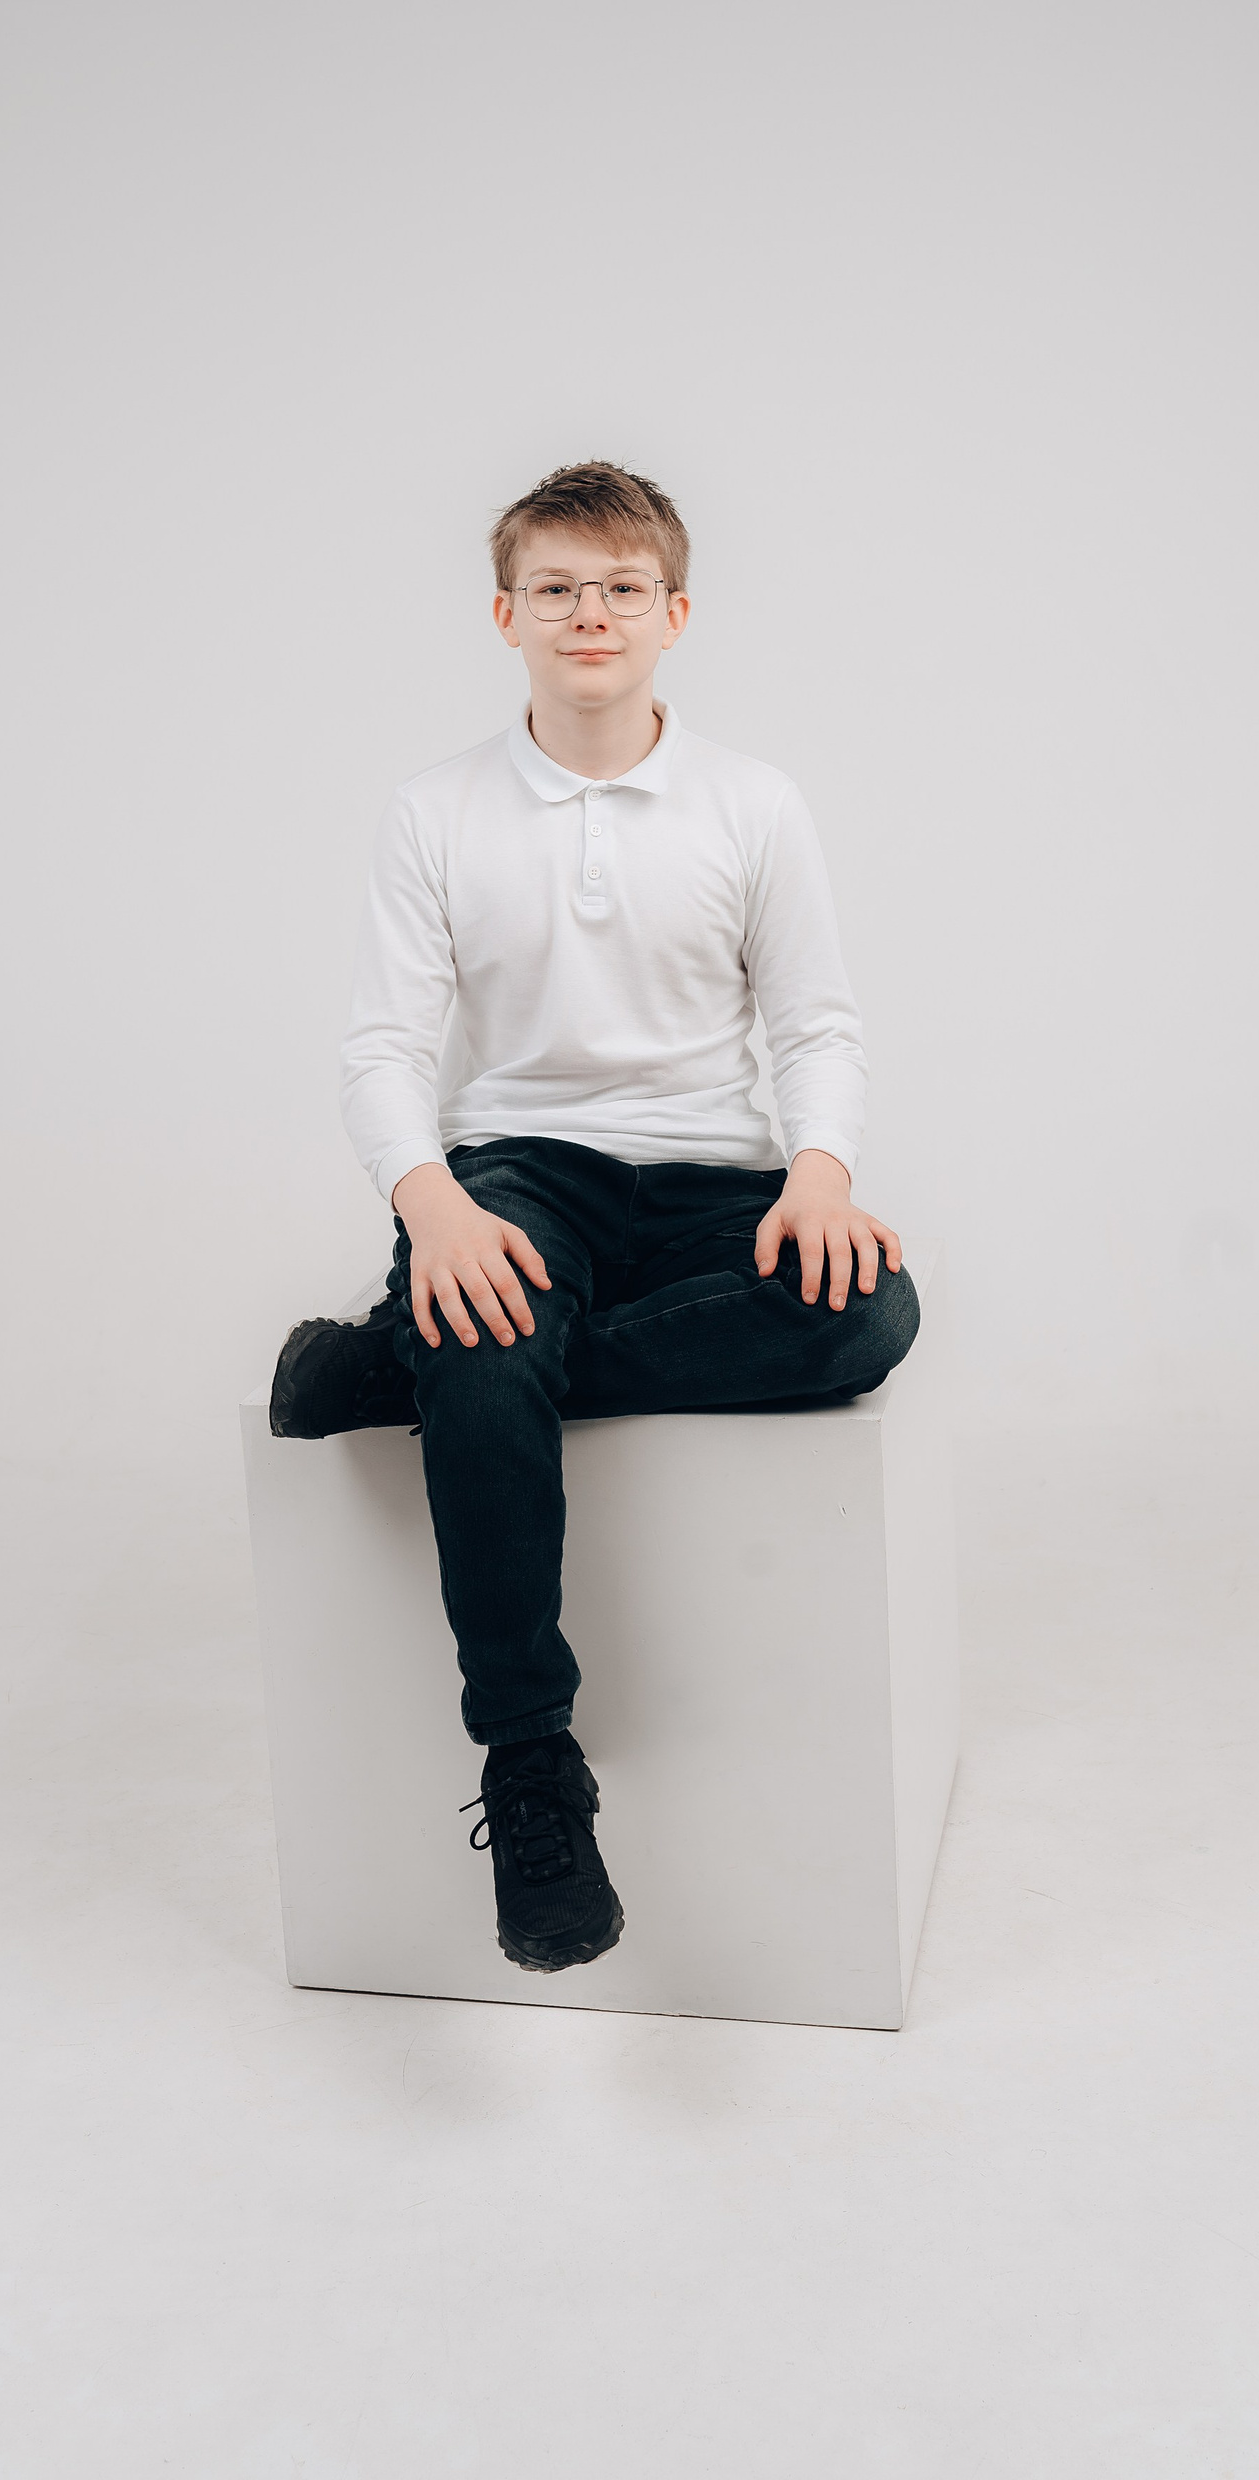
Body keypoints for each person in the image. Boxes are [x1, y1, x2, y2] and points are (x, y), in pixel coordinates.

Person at [270, 462, 917, 1974]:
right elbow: (384, 1051)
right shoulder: (435, 810)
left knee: (869, 1312)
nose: (590, 613)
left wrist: (820, 1171)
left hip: (715, 1176)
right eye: (555, 587)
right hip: (519, 1167)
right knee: (486, 1316)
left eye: (623, 587)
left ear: (675, 613)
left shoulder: (754, 803)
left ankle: (410, 1362)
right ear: (505, 615)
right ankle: (531, 1768)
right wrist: (432, 1207)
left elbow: (816, 1024)